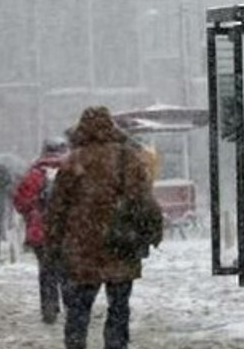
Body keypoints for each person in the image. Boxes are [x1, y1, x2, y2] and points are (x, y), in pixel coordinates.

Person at [46, 106, 161, 349]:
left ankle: (76, 344)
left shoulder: (73, 162)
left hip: (82, 248)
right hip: (119, 244)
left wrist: (54, 245)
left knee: (78, 309)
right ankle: (116, 344)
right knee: (119, 306)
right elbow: (144, 201)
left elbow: (57, 209)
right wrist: (152, 233)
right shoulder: (128, 158)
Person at [12, 136, 70, 324]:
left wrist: (33, 211)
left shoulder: (33, 174)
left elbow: (20, 202)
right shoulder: (72, 172)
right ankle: (71, 307)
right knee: (67, 271)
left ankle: (49, 309)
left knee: (46, 271)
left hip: (40, 231)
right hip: (66, 231)